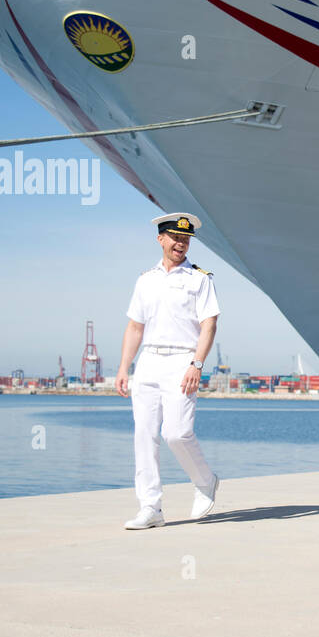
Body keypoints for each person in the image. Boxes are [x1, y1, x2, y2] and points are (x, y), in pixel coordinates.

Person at [115, 212, 220, 529]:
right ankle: (150, 508)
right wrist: (124, 367)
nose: (181, 243)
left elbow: (209, 324)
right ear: (160, 238)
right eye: (175, 237)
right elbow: (135, 327)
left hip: (182, 361)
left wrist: (196, 365)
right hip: (148, 361)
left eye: (186, 239)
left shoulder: (200, 279)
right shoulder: (145, 280)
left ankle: (205, 481)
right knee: (144, 436)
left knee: (176, 433)